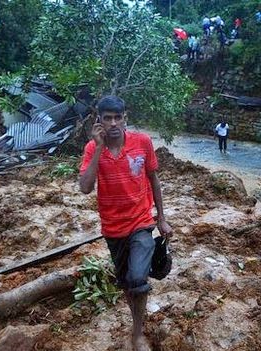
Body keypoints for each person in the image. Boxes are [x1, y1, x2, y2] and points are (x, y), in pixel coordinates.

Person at [79, 95, 173, 351]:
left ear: (125, 118)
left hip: (141, 222)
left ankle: (137, 334)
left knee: (137, 278)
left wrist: (161, 219)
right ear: (99, 120)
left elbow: (154, 179)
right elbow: (85, 188)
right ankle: (137, 320)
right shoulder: (91, 148)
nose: (112, 123)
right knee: (126, 283)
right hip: (112, 227)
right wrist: (98, 147)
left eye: (117, 117)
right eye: (107, 118)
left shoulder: (142, 142)